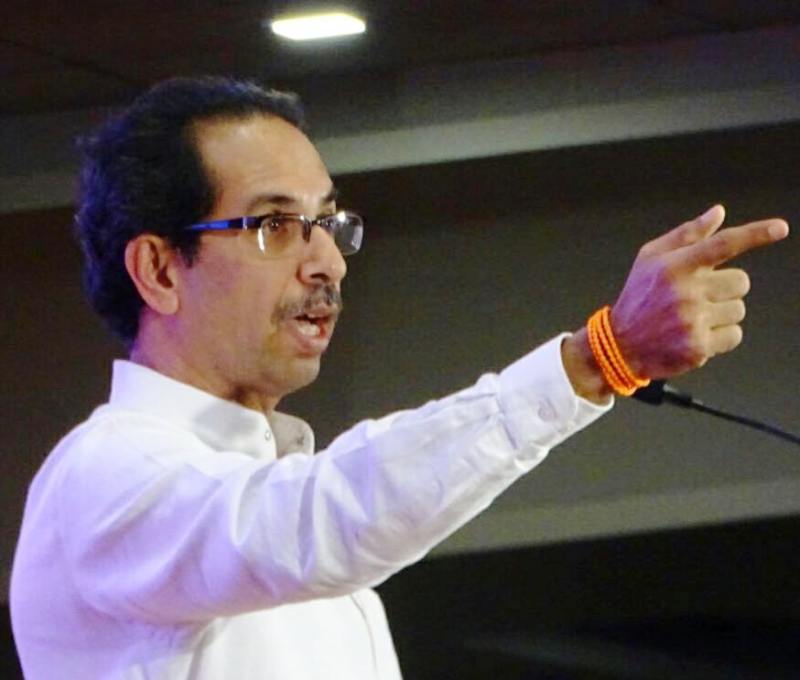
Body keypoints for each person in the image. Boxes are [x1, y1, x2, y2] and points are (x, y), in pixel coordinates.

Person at [9, 76, 789, 680]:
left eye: (328, 222)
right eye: (275, 224)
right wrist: (597, 359)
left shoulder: (277, 498)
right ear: (158, 270)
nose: (328, 261)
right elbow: (322, 520)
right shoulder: (103, 477)